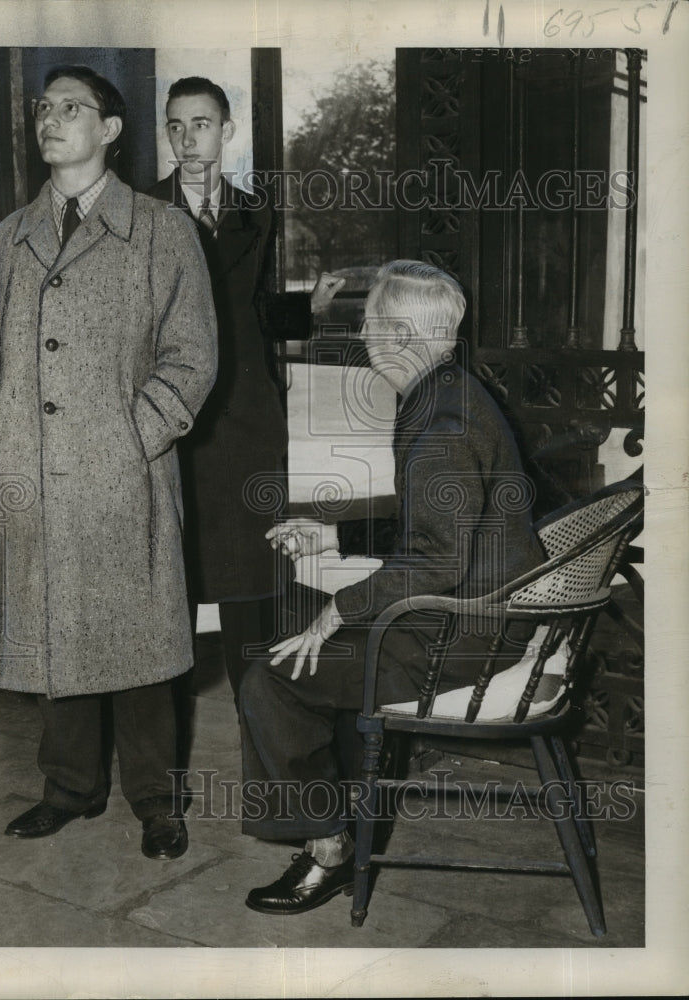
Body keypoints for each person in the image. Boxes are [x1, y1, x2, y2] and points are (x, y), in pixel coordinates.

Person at [0, 65, 217, 860]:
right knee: (52, 633)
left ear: (110, 130)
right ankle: (68, 788)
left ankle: (156, 801)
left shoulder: (161, 229)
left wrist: (135, 436)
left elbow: (191, 357)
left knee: (138, 643)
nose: (51, 118)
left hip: (124, 474)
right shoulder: (10, 236)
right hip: (29, 472)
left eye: (72, 108)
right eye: (44, 107)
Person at [239, 260, 546, 914]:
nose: (365, 335)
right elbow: (438, 525)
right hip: (479, 615)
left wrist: (338, 613)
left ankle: (330, 849)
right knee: (308, 634)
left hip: (461, 638)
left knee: (269, 678)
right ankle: (352, 818)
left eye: (371, 322)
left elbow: (434, 561)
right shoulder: (453, 391)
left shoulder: (442, 427)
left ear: (398, 335)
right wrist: (335, 538)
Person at [148, 76, 343, 709]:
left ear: (226, 132)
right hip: (175, 421)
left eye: (200, 124)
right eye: (175, 126)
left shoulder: (256, 211)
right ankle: (163, 746)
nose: (187, 139)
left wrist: (304, 310)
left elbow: (252, 309)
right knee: (169, 575)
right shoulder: (141, 213)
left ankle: (259, 715)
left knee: (254, 577)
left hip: (248, 419)